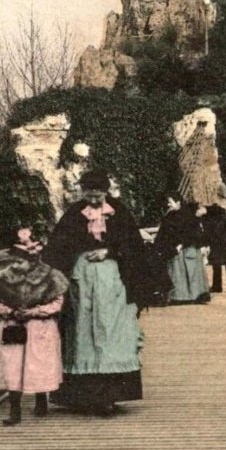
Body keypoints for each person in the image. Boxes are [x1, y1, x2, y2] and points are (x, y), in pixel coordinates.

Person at [43, 170, 149, 415]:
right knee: (83, 331)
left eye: (98, 192)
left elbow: (134, 245)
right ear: (83, 191)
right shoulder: (73, 214)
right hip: (82, 282)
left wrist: (109, 251)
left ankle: (110, 395)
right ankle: (82, 396)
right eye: (89, 191)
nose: (93, 197)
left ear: (106, 191)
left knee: (111, 330)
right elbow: (58, 246)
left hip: (113, 282)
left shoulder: (119, 212)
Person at [0, 227, 68, 425]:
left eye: (22, 258)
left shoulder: (50, 276)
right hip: (13, 325)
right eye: (15, 259)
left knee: (38, 362)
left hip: (39, 326)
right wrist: (10, 312)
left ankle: (41, 400)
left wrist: (36, 311)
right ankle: (15, 409)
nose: (17, 263)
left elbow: (57, 303)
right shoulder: (3, 277)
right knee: (12, 365)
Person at [156, 195, 210, 304]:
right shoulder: (169, 215)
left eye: (170, 202)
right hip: (175, 249)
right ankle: (181, 296)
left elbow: (194, 233)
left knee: (188, 272)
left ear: (178, 202)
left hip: (186, 249)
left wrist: (182, 244)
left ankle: (191, 296)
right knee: (180, 273)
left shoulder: (188, 215)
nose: (168, 204)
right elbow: (163, 232)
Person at [204, 203, 226, 294]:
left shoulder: (213, 220)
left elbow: (218, 233)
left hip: (218, 246)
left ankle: (217, 287)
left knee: (217, 267)